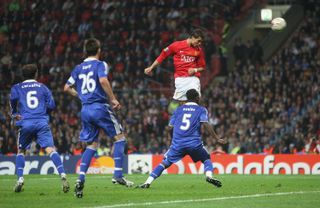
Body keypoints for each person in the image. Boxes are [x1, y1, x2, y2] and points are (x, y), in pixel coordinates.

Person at [64, 38, 134, 198]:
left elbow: (66, 87)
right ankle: (117, 175)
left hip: (85, 109)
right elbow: (103, 80)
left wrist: (81, 95)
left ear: (85, 51)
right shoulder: (101, 64)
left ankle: (80, 178)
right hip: (99, 107)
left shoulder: (78, 68)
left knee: (92, 145)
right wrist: (114, 99)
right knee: (120, 138)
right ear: (98, 50)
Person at [137, 89, 225, 188]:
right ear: (197, 98)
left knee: (164, 163)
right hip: (194, 143)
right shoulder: (201, 109)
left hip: (178, 143)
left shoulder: (178, 109)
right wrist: (216, 138)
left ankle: (147, 182)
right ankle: (209, 176)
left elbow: (170, 126)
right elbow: (205, 123)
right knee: (206, 158)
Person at [10, 64, 70, 193]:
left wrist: (14, 114)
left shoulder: (17, 88)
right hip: (41, 122)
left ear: (22, 75)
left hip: (25, 122)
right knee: (50, 150)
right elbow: (52, 105)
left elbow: (13, 100)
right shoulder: (43, 87)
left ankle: (20, 179)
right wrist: (43, 112)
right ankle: (63, 174)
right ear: (36, 74)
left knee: (21, 151)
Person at [144, 29, 206, 102]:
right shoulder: (177, 45)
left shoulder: (199, 50)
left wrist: (195, 70)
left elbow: (202, 68)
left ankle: (198, 113)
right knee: (182, 103)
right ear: (192, 37)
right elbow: (162, 55)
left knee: (195, 100)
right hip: (180, 79)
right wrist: (151, 67)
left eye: (201, 42)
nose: (199, 43)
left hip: (193, 78)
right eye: (198, 41)